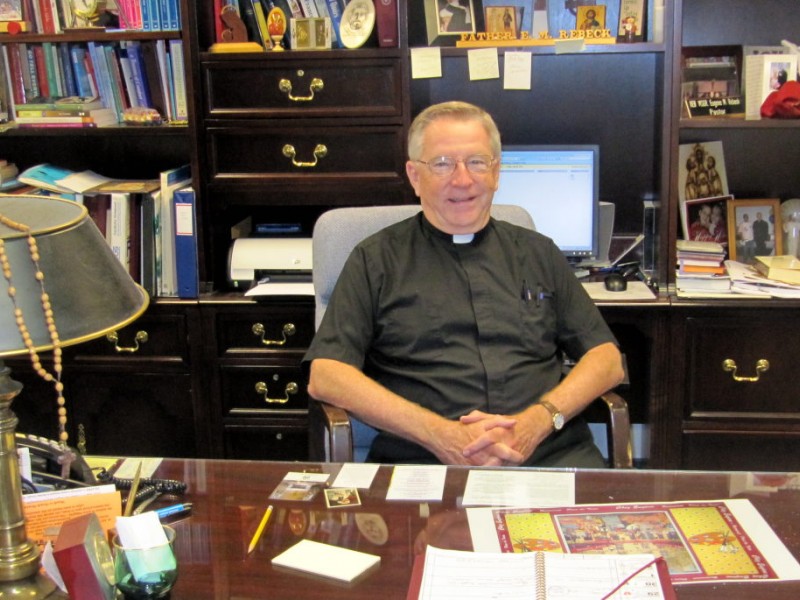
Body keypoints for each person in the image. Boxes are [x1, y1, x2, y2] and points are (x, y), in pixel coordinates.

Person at [304, 101, 624, 468]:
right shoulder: (375, 260)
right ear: (414, 175)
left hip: (548, 455)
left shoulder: (539, 253)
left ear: (496, 172)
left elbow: (607, 359)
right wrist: (440, 435)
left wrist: (536, 422)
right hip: (424, 462)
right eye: (442, 163)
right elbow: (326, 375)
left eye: (476, 162)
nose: (462, 180)